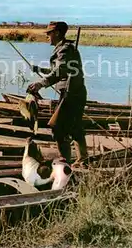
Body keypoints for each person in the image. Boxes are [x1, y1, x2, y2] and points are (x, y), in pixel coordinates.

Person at [26, 21, 88, 166]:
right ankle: (82, 160)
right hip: (73, 93)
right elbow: (58, 71)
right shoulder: (65, 49)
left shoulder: (64, 50)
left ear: (57, 33)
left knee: (58, 127)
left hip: (71, 94)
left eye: (49, 33)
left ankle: (66, 162)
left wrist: (40, 84)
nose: (47, 36)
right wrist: (40, 70)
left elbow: (60, 72)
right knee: (74, 127)